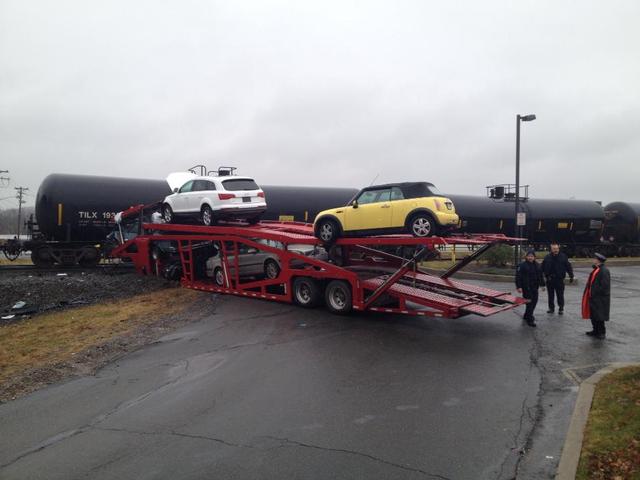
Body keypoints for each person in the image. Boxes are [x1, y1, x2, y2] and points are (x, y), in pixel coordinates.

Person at [582, 253, 611, 339]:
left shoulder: (604, 270)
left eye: (595, 258)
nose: (593, 259)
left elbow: (605, 286)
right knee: (594, 315)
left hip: (600, 298)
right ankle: (595, 330)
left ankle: (601, 332)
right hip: (593, 297)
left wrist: (596, 293)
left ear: (598, 260)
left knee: (599, 316)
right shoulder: (596, 269)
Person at [541, 242, 574, 315]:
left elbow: (568, 266)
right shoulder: (547, 257)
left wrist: (571, 276)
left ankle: (561, 308)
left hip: (559, 280)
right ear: (551, 249)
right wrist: (540, 278)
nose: (555, 250)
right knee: (550, 295)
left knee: (560, 295)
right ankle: (551, 308)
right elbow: (542, 268)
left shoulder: (563, 256)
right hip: (550, 280)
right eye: (554, 249)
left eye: (556, 248)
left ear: (558, 248)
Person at [516, 250, 546, 327]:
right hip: (526, 288)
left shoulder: (537, 265)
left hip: (534, 287)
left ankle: (526, 315)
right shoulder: (522, 265)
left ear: (534, 257)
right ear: (526, 257)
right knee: (529, 303)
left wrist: (542, 285)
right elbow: (518, 277)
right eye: (529, 256)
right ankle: (530, 319)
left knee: (534, 302)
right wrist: (519, 287)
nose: (530, 258)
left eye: (532, 256)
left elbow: (540, 276)